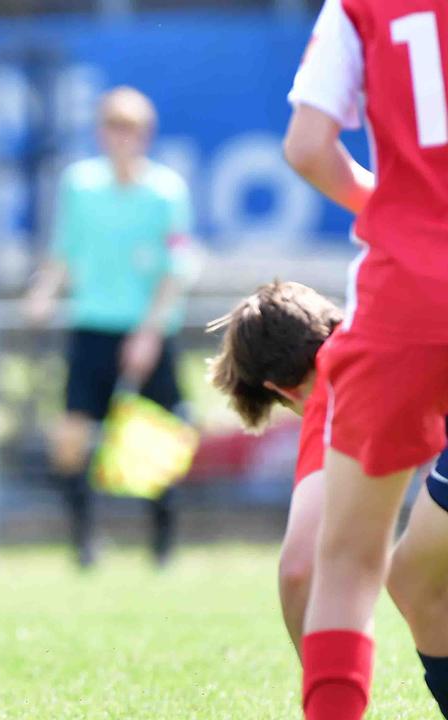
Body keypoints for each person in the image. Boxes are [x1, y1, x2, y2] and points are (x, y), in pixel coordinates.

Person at [282, 1, 448, 717]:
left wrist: (394, 207)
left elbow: (308, 146)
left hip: (407, 294)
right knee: (420, 578)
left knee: (350, 563)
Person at [208, 283, 448, 718]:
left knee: (415, 580)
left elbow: (300, 571)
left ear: (280, 389)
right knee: (415, 578)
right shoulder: (380, 322)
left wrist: (327, 679)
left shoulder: (337, 377)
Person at [24, 85, 196, 568]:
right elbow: (64, 252)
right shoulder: (80, 185)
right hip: (92, 327)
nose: (122, 138)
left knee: (159, 441)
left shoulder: (166, 192)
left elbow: (175, 269)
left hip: (148, 332)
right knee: (71, 441)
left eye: (132, 128)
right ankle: (84, 545)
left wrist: (148, 333)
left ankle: (162, 548)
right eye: (114, 127)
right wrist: (42, 293)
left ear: (146, 134)